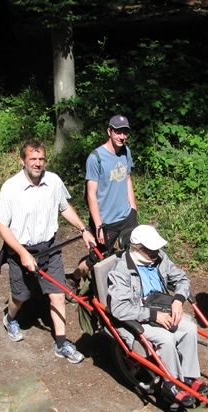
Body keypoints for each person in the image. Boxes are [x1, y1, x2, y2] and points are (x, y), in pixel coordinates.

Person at [0, 140, 96, 363]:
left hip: (50, 249)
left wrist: (83, 229)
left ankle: (61, 343)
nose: (37, 164)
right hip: (22, 251)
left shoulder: (54, 181)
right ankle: (10, 318)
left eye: (41, 159)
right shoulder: (11, 188)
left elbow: (64, 207)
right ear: (22, 161)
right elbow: (2, 225)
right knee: (21, 297)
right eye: (32, 159)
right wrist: (22, 253)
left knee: (57, 296)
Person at [107, 225, 207, 407]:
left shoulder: (159, 258)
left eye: (156, 249)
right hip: (138, 316)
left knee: (190, 328)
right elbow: (120, 308)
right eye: (151, 250)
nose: (156, 253)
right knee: (166, 339)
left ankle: (189, 377)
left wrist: (178, 299)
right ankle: (171, 383)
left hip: (161, 306)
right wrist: (153, 315)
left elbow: (182, 279)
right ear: (136, 248)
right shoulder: (120, 271)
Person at [68, 115, 138, 287]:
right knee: (96, 259)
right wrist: (98, 225)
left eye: (125, 133)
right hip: (106, 221)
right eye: (118, 132)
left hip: (126, 215)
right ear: (109, 131)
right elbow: (91, 195)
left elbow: (127, 179)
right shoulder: (95, 158)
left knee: (137, 252)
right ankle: (74, 278)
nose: (122, 136)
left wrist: (133, 208)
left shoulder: (126, 152)